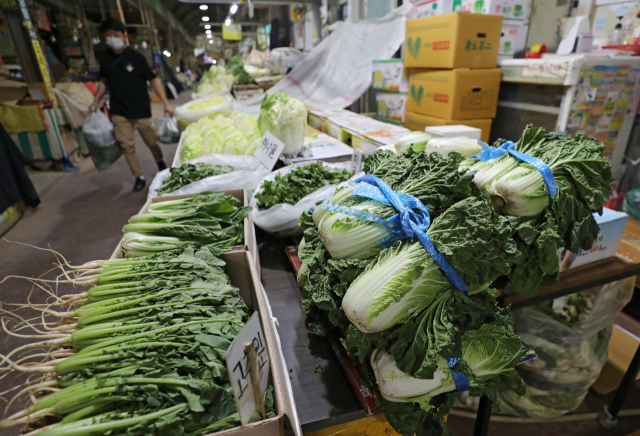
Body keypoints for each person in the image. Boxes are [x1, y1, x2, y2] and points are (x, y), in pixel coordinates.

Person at [90, 18, 175, 192]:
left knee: (151, 141)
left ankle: (160, 162)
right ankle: (139, 177)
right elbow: (104, 82)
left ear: (124, 36)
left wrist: (166, 103)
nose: (112, 38)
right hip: (119, 110)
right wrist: (95, 101)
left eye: (116, 34)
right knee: (127, 145)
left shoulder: (137, 58)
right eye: (108, 35)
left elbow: (154, 82)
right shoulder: (105, 58)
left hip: (140, 108)